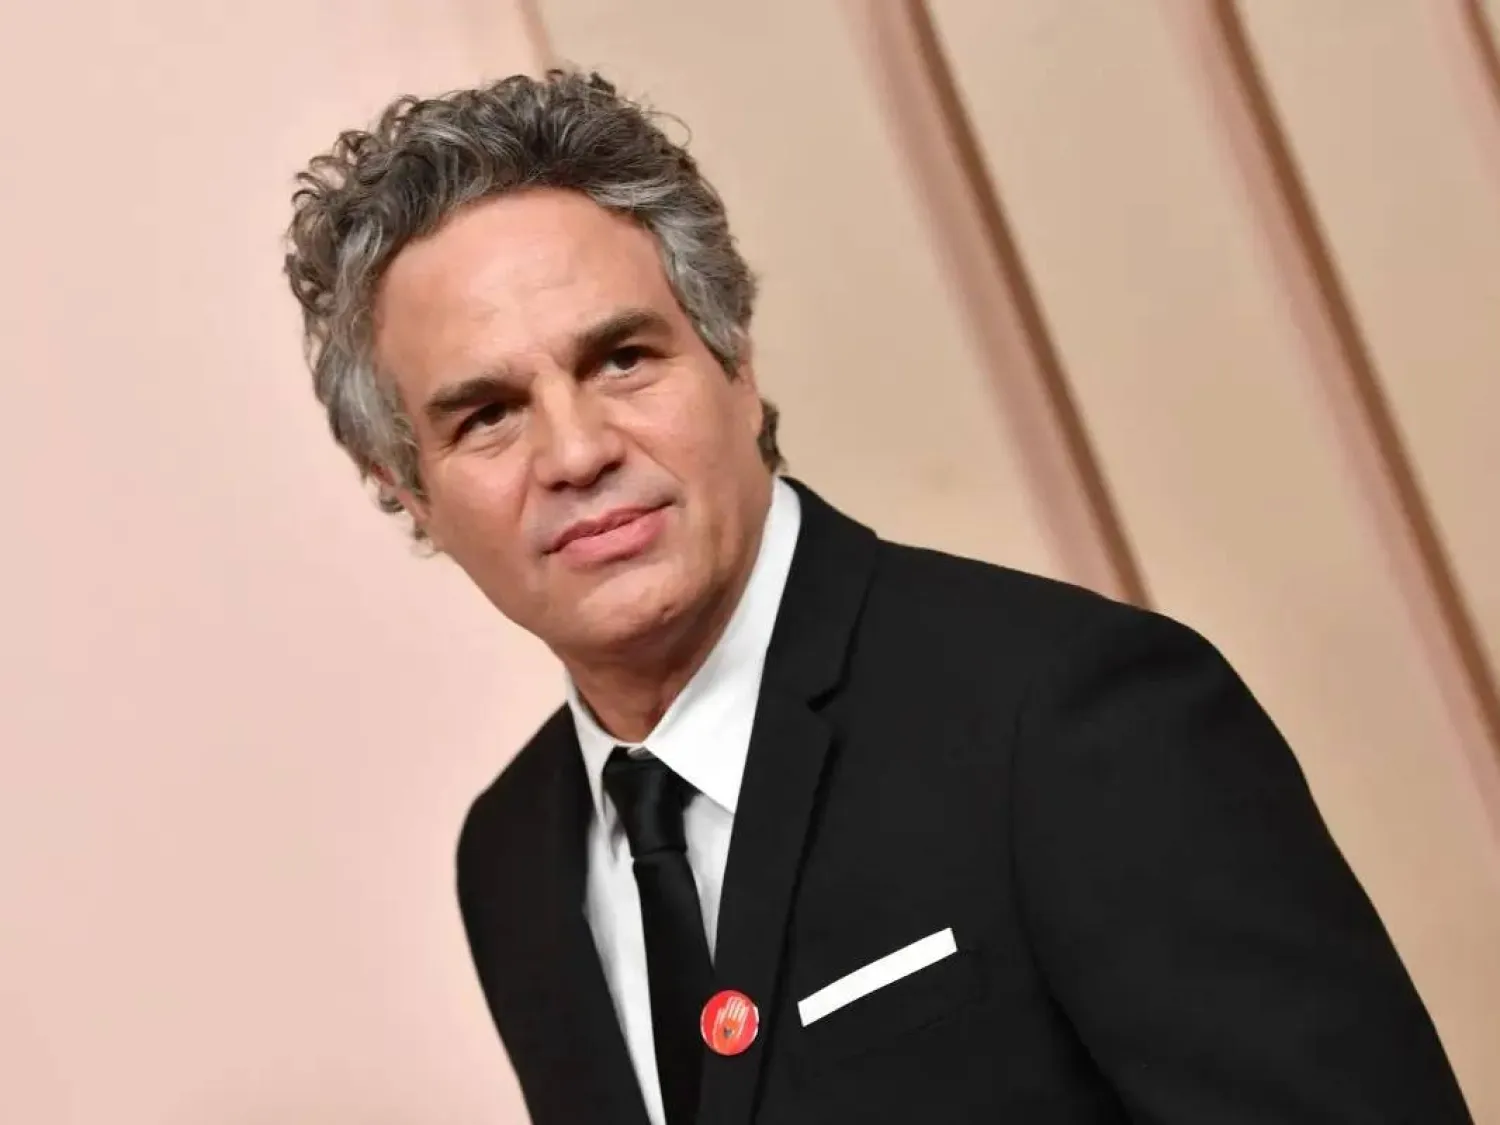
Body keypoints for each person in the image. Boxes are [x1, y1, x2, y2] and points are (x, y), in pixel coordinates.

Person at [283, 69, 1472, 1125]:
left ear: (736, 363)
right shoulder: (513, 858)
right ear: (408, 488)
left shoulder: (1072, 718)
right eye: (486, 415)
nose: (576, 449)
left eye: (623, 359)